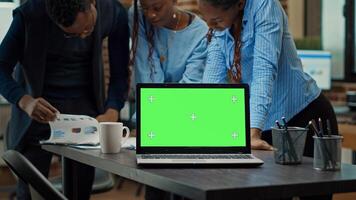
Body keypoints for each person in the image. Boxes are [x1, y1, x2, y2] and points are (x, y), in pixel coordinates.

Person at [199, 0, 337, 199]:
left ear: (238, 4)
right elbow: (212, 80)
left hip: (304, 116)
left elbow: (264, 71)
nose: (211, 27)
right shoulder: (219, 28)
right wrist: (202, 132)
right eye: (207, 20)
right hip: (266, 122)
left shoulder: (265, 7)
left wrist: (253, 133)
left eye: (217, 20)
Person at [0, 0, 129, 199]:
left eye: (89, 27)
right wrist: (24, 100)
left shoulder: (114, 13)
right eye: (69, 33)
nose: (83, 35)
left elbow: (120, 72)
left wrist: (113, 108)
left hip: (87, 120)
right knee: (31, 194)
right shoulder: (29, 15)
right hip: (37, 116)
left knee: (79, 192)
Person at [129, 0, 208, 199]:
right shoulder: (137, 15)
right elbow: (146, 72)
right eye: (146, 8)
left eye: (157, 8)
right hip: (155, 120)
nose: (150, 15)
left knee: (187, 186)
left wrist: (157, 113)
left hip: (188, 119)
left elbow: (190, 88)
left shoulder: (200, 33)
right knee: (156, 186)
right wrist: (149, 120)